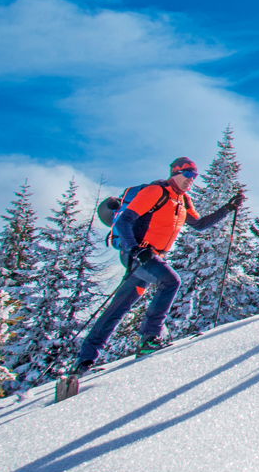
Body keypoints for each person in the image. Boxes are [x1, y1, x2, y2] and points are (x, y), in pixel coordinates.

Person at [72, 157, 243, 373]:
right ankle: (149, 337)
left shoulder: (183, 201)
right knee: (170, 281)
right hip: (138, 253)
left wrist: (228, 207)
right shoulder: (156, 192)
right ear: (175, 173)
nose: (191, 180)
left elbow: (199, 224)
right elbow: (125, 220)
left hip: (152, 256)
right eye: (188, 174)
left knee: (119, 306)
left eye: (194, 176)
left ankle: (84, 359)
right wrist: (135, 249)